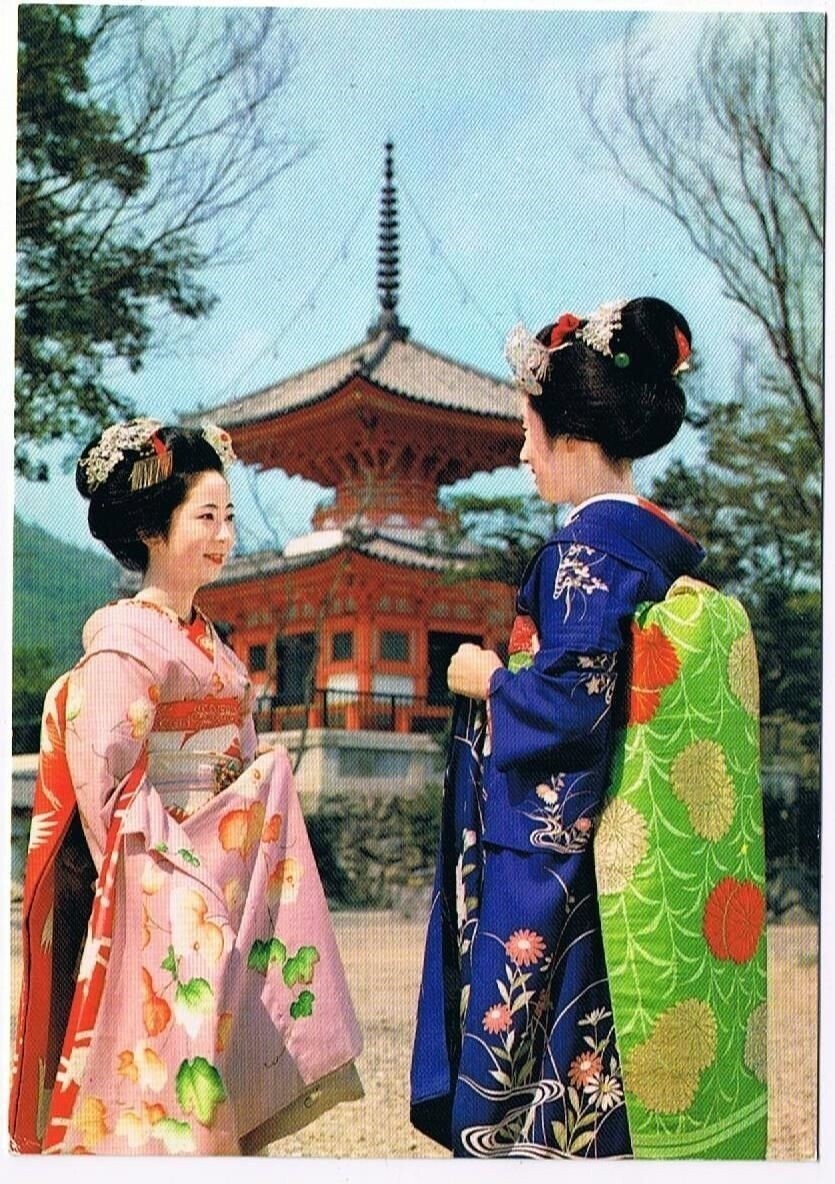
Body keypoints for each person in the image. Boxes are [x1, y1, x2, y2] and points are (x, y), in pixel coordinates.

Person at [410, 298, 767, 1158]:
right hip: (634, 847)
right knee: (607, 1075)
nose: (522, 453)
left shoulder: (584, 553)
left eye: (528, 432)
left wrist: (489, 678)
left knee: (541, 1082)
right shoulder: (650, 547)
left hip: (568, 860)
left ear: (568, 434)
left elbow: (572, 705)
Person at [10, 421, 363, 1156]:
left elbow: (244, 763)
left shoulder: (211, 644)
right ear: (149, 528)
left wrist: (245, 805)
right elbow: (105, 785)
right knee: (163, 1065)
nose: (224, 534)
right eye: (206, 517)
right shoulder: (122, 641)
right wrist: (174, 878)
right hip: (162, 880)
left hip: (220, 870)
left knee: (213, 1052)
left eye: (229, 516)